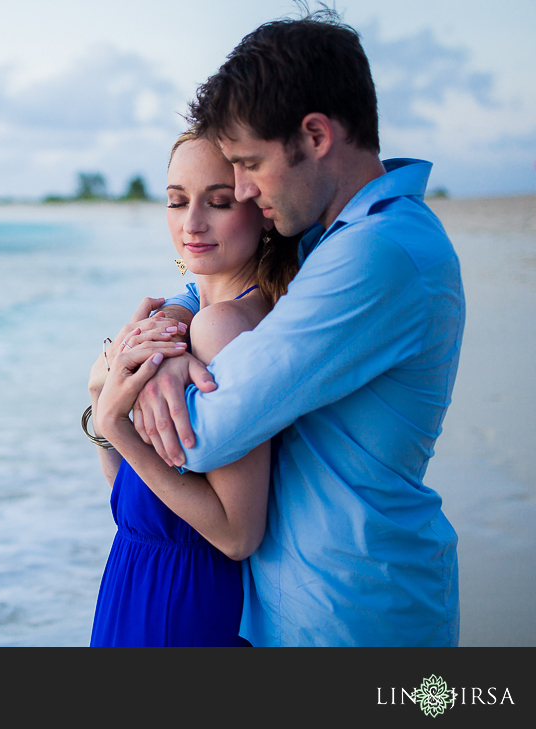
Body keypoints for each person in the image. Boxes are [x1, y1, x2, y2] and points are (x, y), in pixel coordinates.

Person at [134, 10, 466, 646]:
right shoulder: (328, 236)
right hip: (309, 603)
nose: (246, 191)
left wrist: (121, 393)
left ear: (315, 136)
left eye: (251, 164)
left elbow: (203, 433)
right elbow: (236, 278)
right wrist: (178, 318)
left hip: (357, 613)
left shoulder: (376, 254)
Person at [83, 131, 299, 646]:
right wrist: (104, 392)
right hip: (135, 580)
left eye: (219, 202)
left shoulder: (223, 327)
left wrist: (115, 421)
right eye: (177, 200)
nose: (192, 223)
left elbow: (236, 534)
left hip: (180, 609)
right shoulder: (188, 317)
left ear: (261, 209)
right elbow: (128, 494)